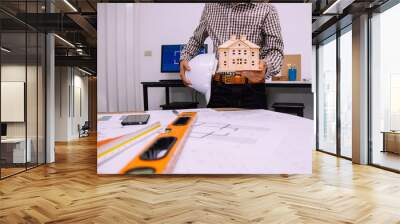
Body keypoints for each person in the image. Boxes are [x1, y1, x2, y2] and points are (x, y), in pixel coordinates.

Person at [180, 3, 284, 109]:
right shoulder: (210, 6)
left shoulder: (267, 10)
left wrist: (266, 66)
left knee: (254, 125)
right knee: (215, 125)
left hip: (252, 88)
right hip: (219, 87)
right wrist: (185, 57)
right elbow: (197, 39)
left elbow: (275, 50)